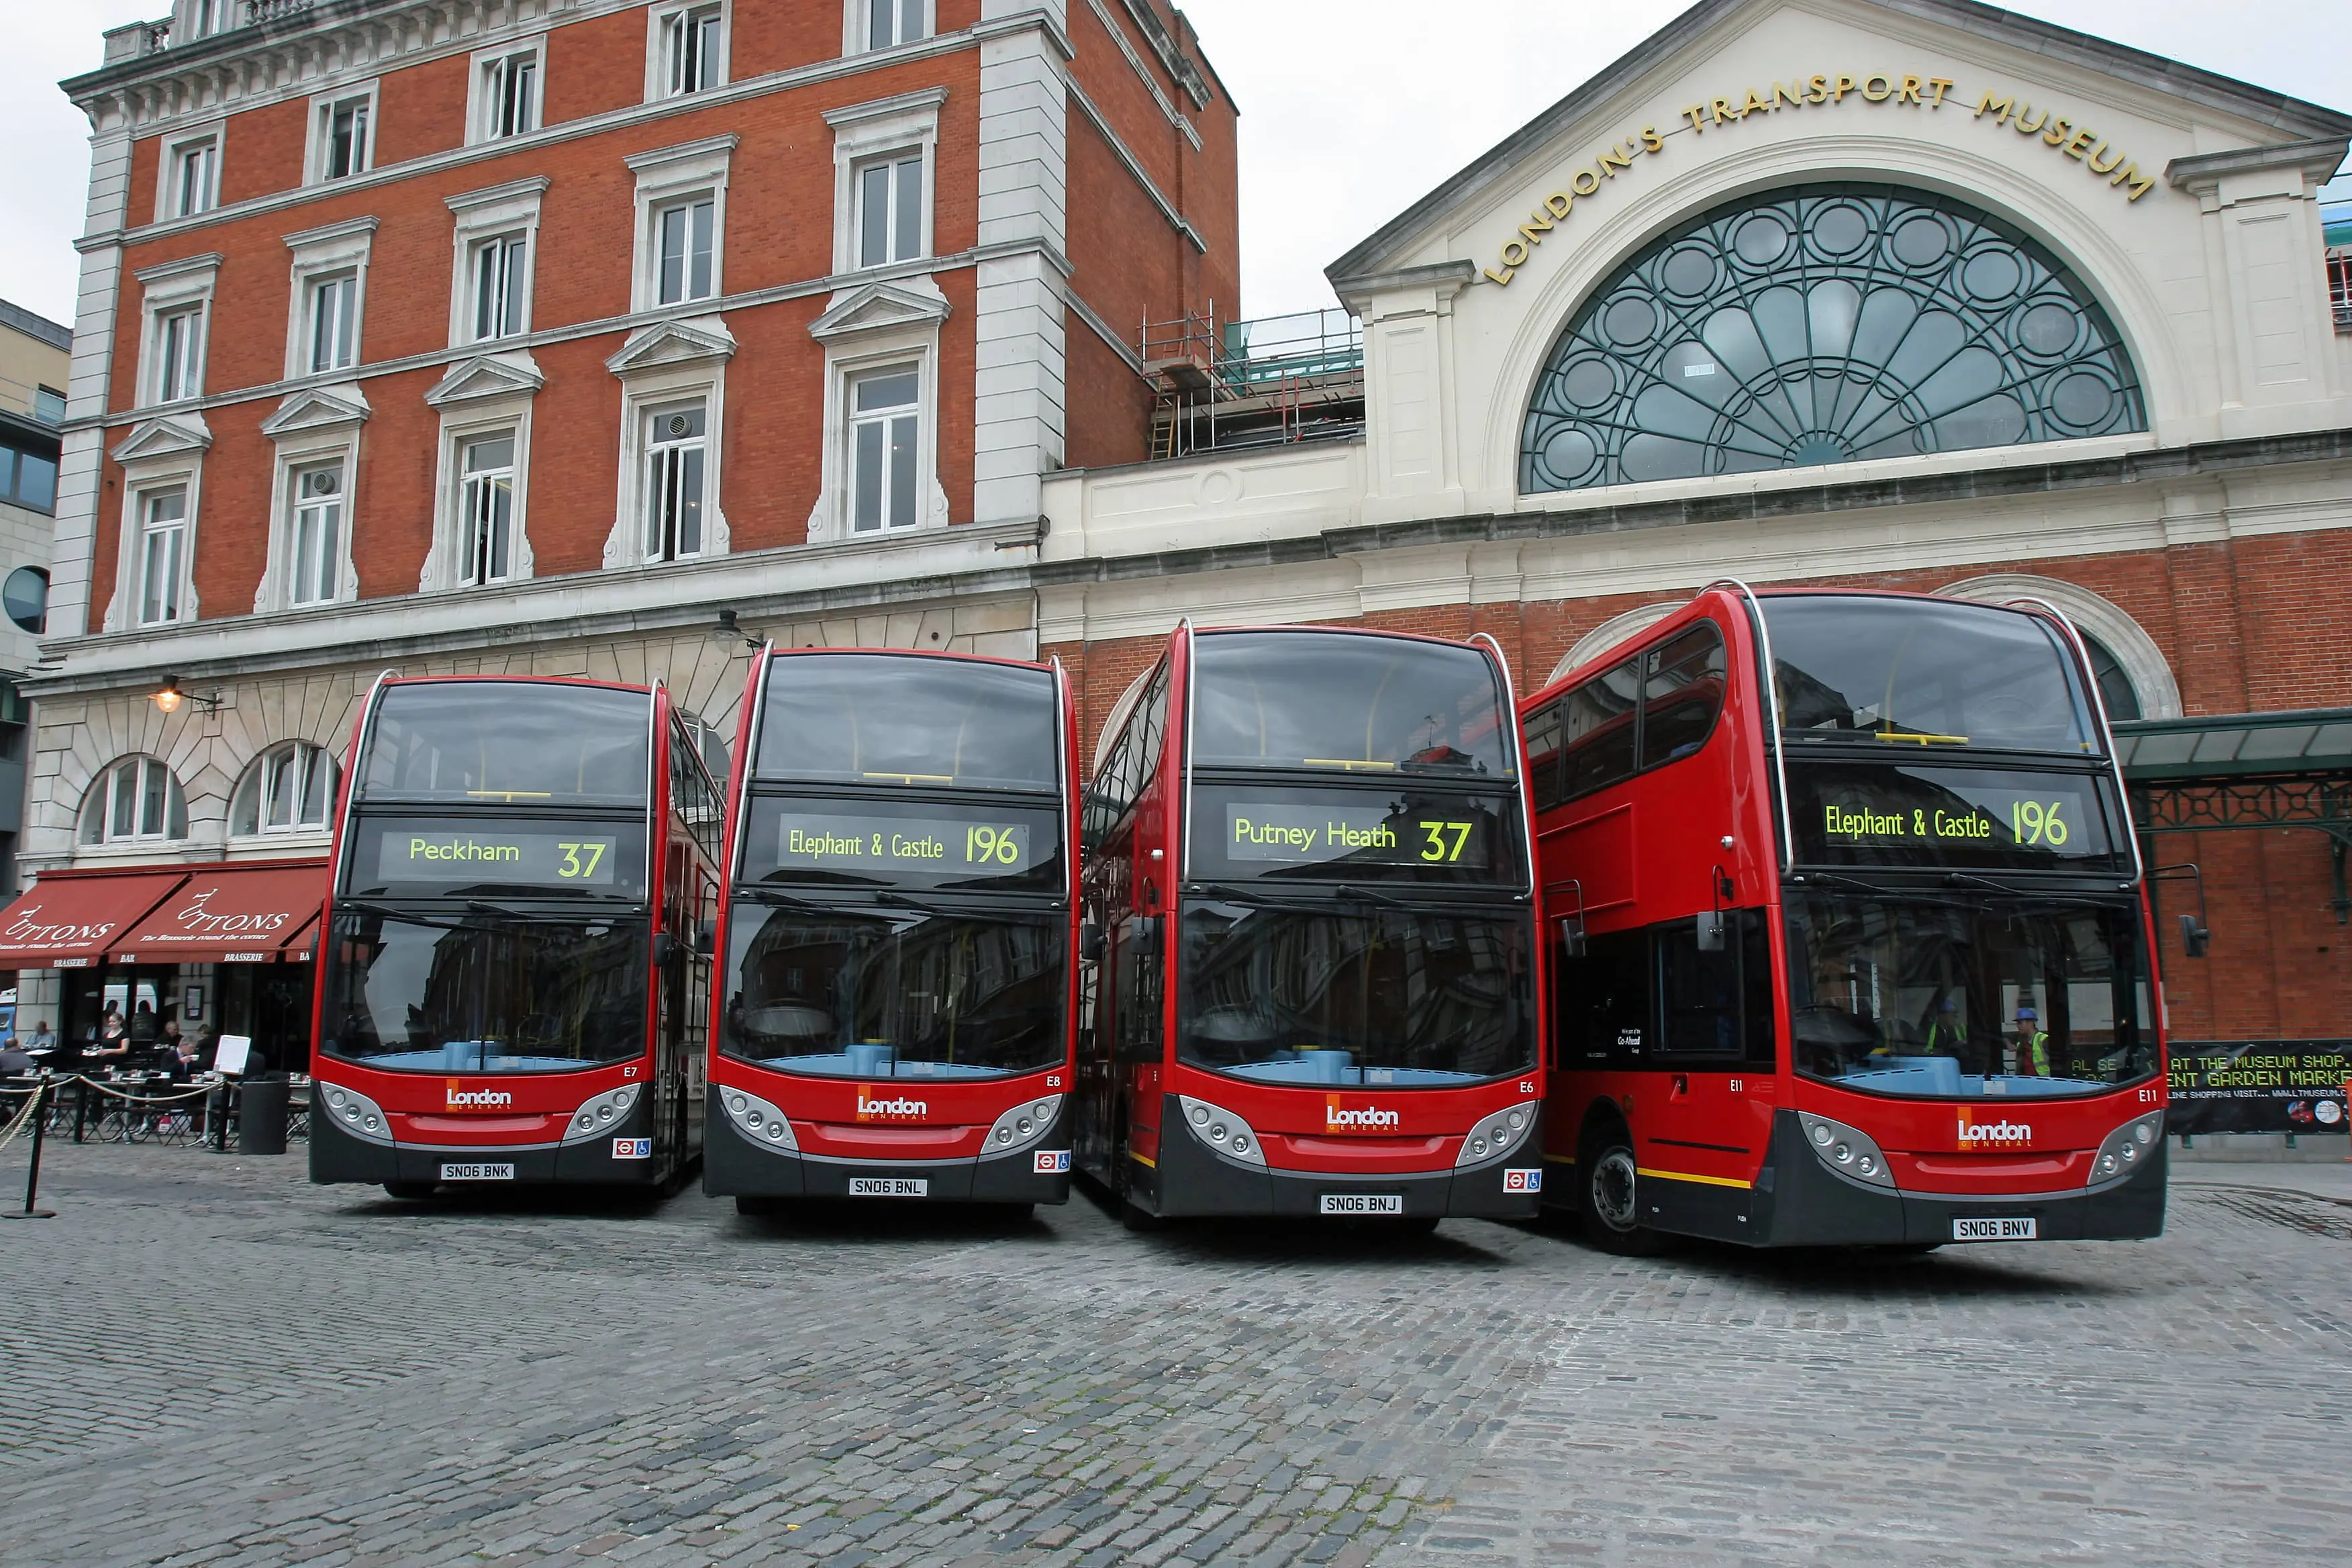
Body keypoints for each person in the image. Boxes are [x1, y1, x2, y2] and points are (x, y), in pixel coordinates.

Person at [2014, 1005, 2051, 1076]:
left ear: (2030, 1023)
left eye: (2020, 1023)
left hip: (2043, 1081)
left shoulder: (2043, 1039)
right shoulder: (2021, 1042)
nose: (2018, 1026)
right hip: (2026, 1082)